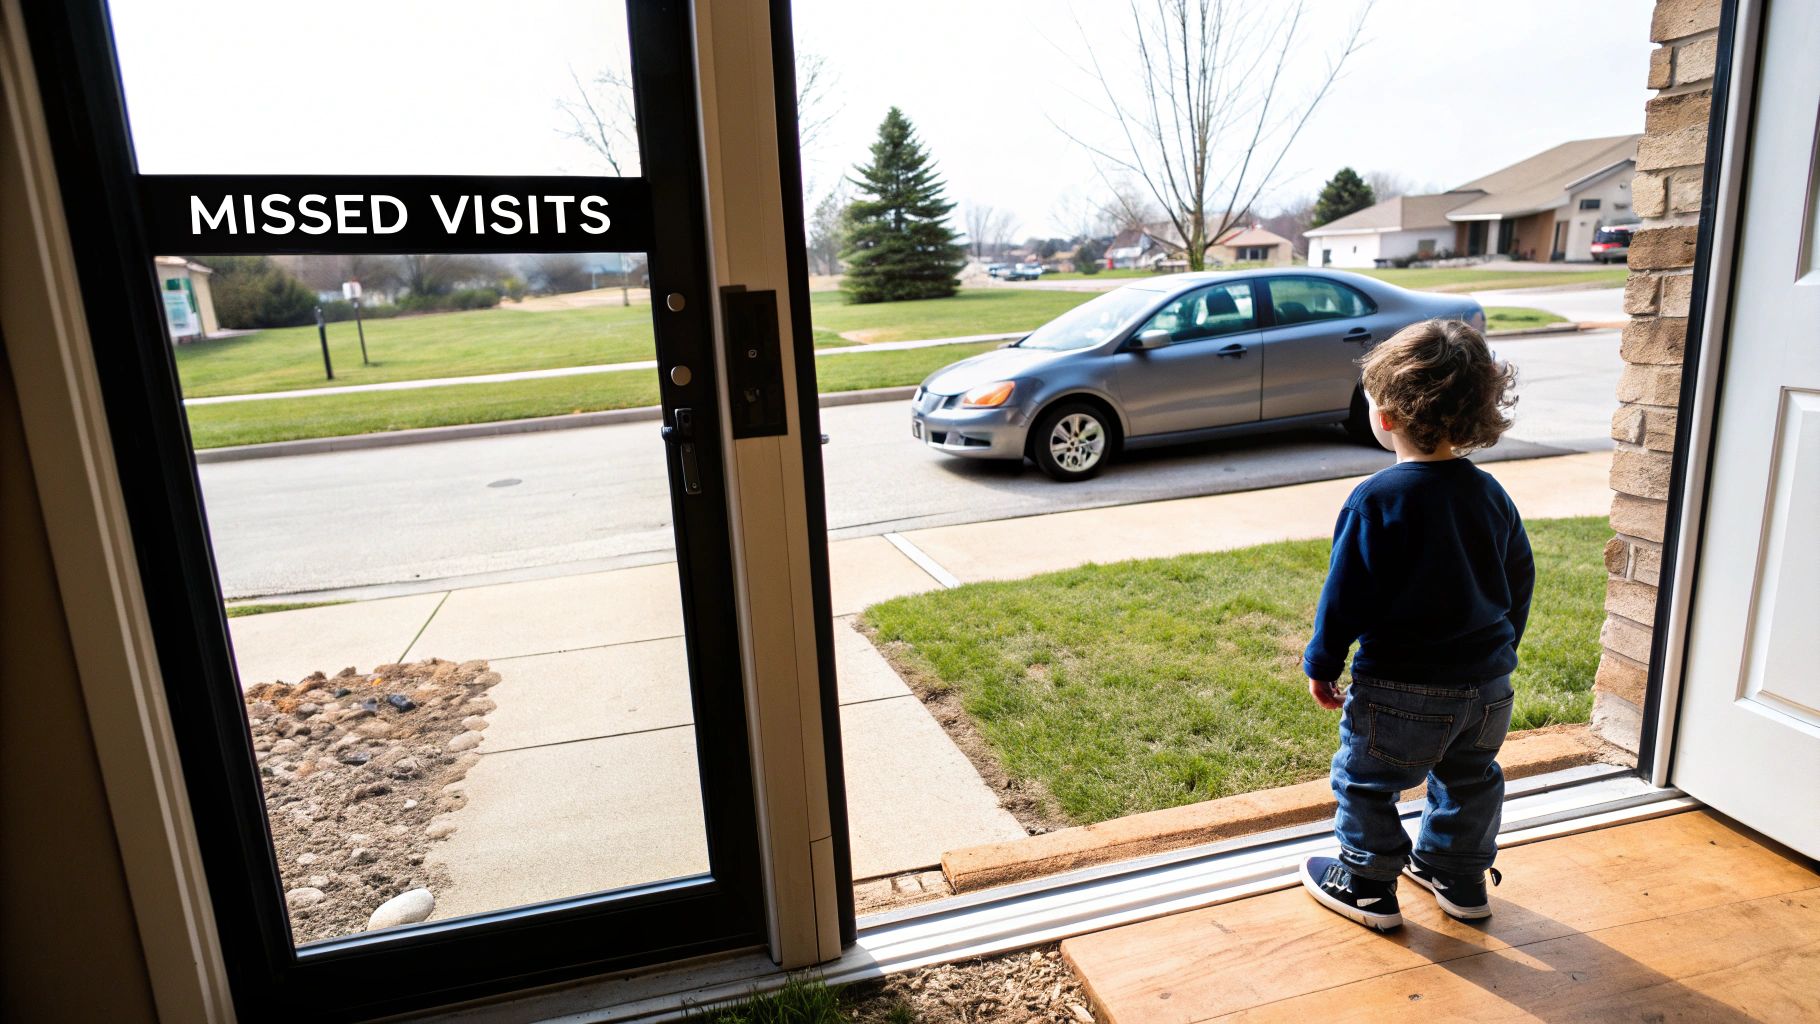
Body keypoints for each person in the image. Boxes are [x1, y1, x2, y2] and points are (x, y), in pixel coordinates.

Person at [1298, 317, 1532, 932]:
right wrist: (1500, 652)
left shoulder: (1377, 499)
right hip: (1488, 691)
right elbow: (1519, 583)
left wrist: (1323, 663)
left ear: (1388, 416)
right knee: (1470, 777)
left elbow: (1344, 596)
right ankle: (1456, 874)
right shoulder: (1490, 495)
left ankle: (1368, 884)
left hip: (1400, 690)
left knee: (1367, 781)